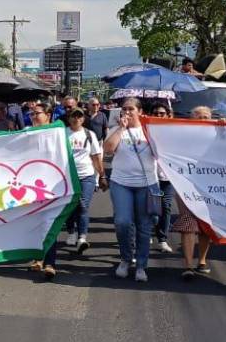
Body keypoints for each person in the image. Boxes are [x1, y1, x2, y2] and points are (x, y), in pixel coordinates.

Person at [102, 97, 158, 282]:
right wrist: (121, 128)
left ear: (140, 112)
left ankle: (141, 265)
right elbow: (108, 149)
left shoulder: (150, 129)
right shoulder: (116, 129)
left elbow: (164, 152)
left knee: (144, 226)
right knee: (123, 222)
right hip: (121, 183)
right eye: (124, 109)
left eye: (131, 109)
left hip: (147, 184)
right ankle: (126, 259)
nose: (126, 112)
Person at [56, 108, 106, 267]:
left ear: (83, 119)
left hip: (87, 176)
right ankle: (71, 231)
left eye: (79, 116)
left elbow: (96, 157)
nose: (76, 119)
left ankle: (82, 238)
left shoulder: (89, 135)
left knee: (83, 205)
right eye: (73, 116)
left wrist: (102, 175)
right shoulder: (62, 134)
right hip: (67, 176)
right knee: (71, 206)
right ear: (69, 118)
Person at [174, 105, 216, 279]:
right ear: (191, 119)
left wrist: (225, 127)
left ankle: (202, 260)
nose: (203, 119)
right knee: (188, 222)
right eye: (199, 116)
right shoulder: (182, 135)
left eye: (206, 116)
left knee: (205, 224)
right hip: (185, 184)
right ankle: (188, 265)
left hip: (210, 186)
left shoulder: (217, 135)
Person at [148, 102, 177, 254]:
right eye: (156, 113)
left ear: (168, 115)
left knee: (166, 207)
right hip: (151, 176)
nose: (159, 115)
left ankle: (162, 240)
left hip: (167, 177)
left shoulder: (175, 131)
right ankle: (147, 232)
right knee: (152, 210)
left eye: (162, 113)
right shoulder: (145, 130)